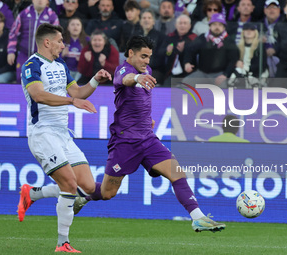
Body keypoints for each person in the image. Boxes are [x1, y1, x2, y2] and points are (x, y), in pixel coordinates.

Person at [73, 35, 226, 233]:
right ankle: (83, 195)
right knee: (107, 192)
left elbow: (141, 101)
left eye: (149, 57)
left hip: (147, 139)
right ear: (130, 54)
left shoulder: (147, 71)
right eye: (143, 56)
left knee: (177, 173)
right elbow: (126, 80)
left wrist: (148, 119)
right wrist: (137, 78)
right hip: (125, 143)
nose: (147, 61)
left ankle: (198, 218)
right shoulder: (123, 70)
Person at [18, 23, 112, 252]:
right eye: (60, 40)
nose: (63, 44)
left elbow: (77, 92)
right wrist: (72, 102)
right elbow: (38, 95)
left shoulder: (60, 64)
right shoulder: (31, 65)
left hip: (63, 135)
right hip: (43, 133)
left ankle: (31, 193)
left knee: (88, 186)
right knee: (69, 183)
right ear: (47, 42)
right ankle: (63, 243)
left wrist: (95, 80)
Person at [7, 0, 59, 83]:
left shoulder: (52, 15)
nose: (40, 1)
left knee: (42, 82)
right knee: (21, 79)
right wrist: (11, 51)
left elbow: (56, 38)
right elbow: (13, 33)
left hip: (43, 57)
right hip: (24, 54)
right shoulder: (24, 13)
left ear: (47, 1)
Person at [183, 13, 239, 88]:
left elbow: (233, 60)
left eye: (220, 25)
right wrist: (187, 62)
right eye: (214, 24)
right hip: (201, 73)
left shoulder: (229, 41)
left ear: (224, 27)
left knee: (222, 91)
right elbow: (190, 50)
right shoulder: (202, 38)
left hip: (219, 75)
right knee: (184, 84)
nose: (217, 27)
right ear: (210, 26)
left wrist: (225, 75)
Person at [229, 22, 268, 88]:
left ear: (255, 32)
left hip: (257, 74)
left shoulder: (260, 47)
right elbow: (233, 61)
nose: (249, 31)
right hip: (242, 73)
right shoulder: (238, 47)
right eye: (246, 29)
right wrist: (237, 63)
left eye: (252, 30)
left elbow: (262, 65)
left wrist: (248, 69)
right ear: (243, 32)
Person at [164, 14, 197, 85]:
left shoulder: (194, 38)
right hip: (171, 73)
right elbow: (162, 54)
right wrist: (168, 52)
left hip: (188, 73)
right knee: (166, 87)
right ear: (176, 25)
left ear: (190, 26)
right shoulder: (170, 37)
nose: (182, 25)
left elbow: (195, 56)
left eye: (185, 23)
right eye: (180, 23)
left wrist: (182, 52)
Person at [62, 17, 89, 82]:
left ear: (81, 27)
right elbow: (54, 60)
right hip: (65, 72)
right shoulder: (62, 40)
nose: (75, 27)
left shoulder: (88, 41)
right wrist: (62, 55)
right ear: (68, 27)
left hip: (82, 73)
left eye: (78, 25)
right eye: (72, 24)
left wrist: (83, 59)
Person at [262, 0, 281, 78]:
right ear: (264, 10)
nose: (272, 10)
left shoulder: (284, 23)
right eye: (269, 7)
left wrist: (275, 49)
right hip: (263, 57)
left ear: (279, 10)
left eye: (274, 7)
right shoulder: (260, 25)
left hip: (280, 56)